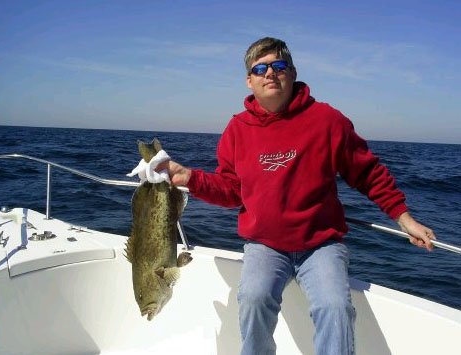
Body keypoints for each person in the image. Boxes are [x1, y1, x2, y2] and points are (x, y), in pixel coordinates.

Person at [160, 37, 436, 355]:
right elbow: (232, 190)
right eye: (260, 68)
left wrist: (404, 219)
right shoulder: (237, 129)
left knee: (335, 308)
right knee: (252, 298)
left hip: (321, 245)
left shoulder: (327, 121)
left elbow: (368, 173)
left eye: (278, 66)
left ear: (292, 72)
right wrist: (189, 178)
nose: (270, 73)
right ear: (249, 81)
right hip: (264, 246)